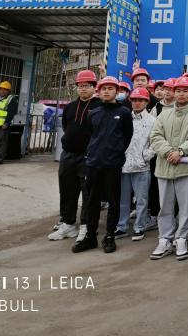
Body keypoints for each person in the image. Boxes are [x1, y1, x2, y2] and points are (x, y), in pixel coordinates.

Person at [73, 76, 133, 254]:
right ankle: (90, 236)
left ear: (117, 91)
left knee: (113, 201)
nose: (106, 91)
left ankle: (109, 236)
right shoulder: (94, 113)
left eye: (110, 88)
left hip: (112, 165)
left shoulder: (124, 113)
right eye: (103, 89)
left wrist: (116, 152)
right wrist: (92, 155)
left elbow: (127, 136)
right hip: (93, 164)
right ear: (99, 91)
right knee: (92, 201)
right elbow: (90, 136)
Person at [148, 77, 188, 260]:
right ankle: (164, 238)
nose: (181, 94)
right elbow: (155, 136)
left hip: (187, 168)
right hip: (165, 167)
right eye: (178, 90)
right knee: (165, 206)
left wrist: (180, 151)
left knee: (186, 206)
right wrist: (169, 152)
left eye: (185, 91)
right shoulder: (163, 115)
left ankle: (182, 237)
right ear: (173, 92)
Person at [48, 70, 100, 242]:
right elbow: (66, 126)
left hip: (88, 156)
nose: (83, 89)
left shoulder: (99, 106)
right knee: (67, 190)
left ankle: (86, 226)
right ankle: (68, 224)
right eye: (80, 86)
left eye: (87, 85)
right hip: (68, 155)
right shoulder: (70, 107)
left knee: (88, 193)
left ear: (94, 87)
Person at [114, 87, 156, 241]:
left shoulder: (152, 120)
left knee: (142, 200)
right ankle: (122, 227)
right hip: (124, 166)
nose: (137, 103)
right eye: (134, 100)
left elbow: (155, 141)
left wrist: (146, 156)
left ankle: (139, 227)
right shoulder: (124, 117)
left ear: (147, 102)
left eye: (141, 100)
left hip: (142, 167)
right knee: (123, 200)